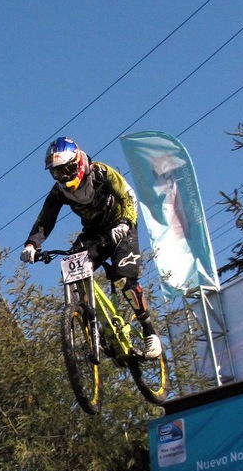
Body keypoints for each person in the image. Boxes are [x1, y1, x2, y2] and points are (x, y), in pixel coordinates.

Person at [20, 136, 162, 359]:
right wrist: (32, 244)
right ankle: (90, 321)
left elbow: (128, 196)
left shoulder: (101, 173)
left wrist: (126, 222)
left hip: (121, 227)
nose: (63, 177)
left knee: (124, 278)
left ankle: (149, 330)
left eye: (66, 170)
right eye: (57, 173)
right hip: (93, 234)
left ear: (77, 163)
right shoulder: (59, 192)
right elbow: (45, 218)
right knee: (71, 270)